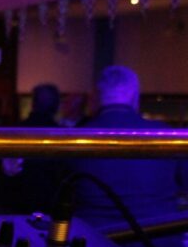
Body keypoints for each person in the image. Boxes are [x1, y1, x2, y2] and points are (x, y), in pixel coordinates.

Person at [73, 66, 187, 226]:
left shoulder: (76, 137)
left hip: (94, 242)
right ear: (135, 96)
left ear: (98, 96)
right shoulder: (164, 135)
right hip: (157, 242)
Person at [0, 83, 68, 213]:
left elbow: (7, 175)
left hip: (18, 204)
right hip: (52, 207)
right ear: (56, 106)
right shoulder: (62, 135)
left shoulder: (16, 131)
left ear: (33, 103)